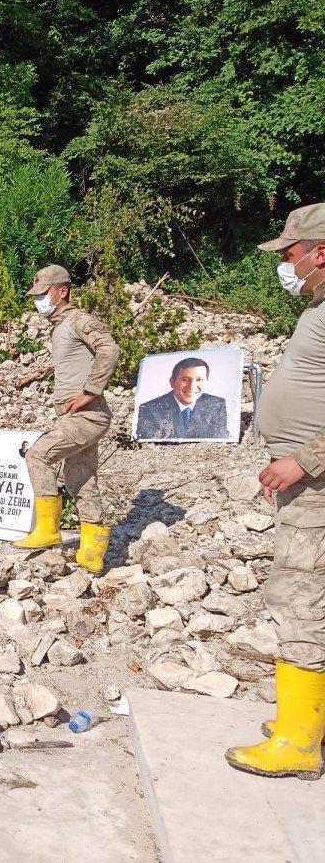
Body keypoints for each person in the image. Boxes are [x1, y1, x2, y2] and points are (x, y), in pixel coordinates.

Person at [226, 203, 325, 780]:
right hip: (304, 476)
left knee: (303, 598)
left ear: (319, 251)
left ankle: (298, 741)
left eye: (290, 252)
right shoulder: (319, 303)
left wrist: (304, 460)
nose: (284, 262)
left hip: (315, 479)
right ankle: (307, 717)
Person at [14, 265, 120, 574]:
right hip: (79, 415)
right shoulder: (60, 325)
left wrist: (90, 391)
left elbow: (109, 350)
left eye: (43, 294)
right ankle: (92, 553)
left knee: (38, 455)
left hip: (86, 415)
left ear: (63, 291)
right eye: (36, 296)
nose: (39, 301)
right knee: (81, 480)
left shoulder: (78, 320)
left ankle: (48, 529)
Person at [135, 356, 230, 440]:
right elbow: (147, 444)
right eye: (185, 380)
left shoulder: (217, 404)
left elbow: (219, 440)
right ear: (172, 382)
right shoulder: (149, 409)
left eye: (199, 380)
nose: (192, 386)